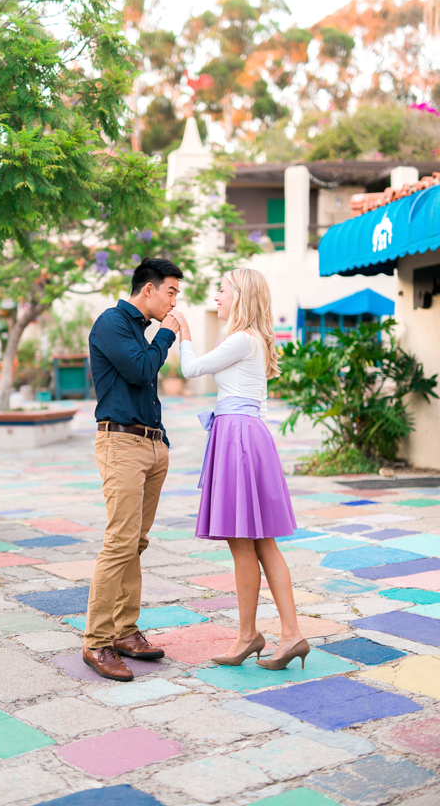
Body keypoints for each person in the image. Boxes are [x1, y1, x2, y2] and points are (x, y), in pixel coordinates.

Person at [174, 269, 307, 669]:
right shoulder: (252, 340)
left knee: (244, 542)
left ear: (241, 296)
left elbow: (191, 370)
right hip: (245, 434)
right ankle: (286, 635)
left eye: (222, 289)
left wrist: (183, 332)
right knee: (261, 542)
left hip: (238, 439)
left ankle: (253, 635)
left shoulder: (241, 339)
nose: (216, 295)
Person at [83, 258, 183, 681]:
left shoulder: (138, 330)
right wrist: (168, 335)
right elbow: (141, 370)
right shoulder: (111, 323)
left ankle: (125, 630)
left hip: (151, 444)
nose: (176, 301)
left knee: (135, 543)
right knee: (119, 542)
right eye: (172, 292)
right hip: (121, 443)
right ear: (148, 290)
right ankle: (96, 641)